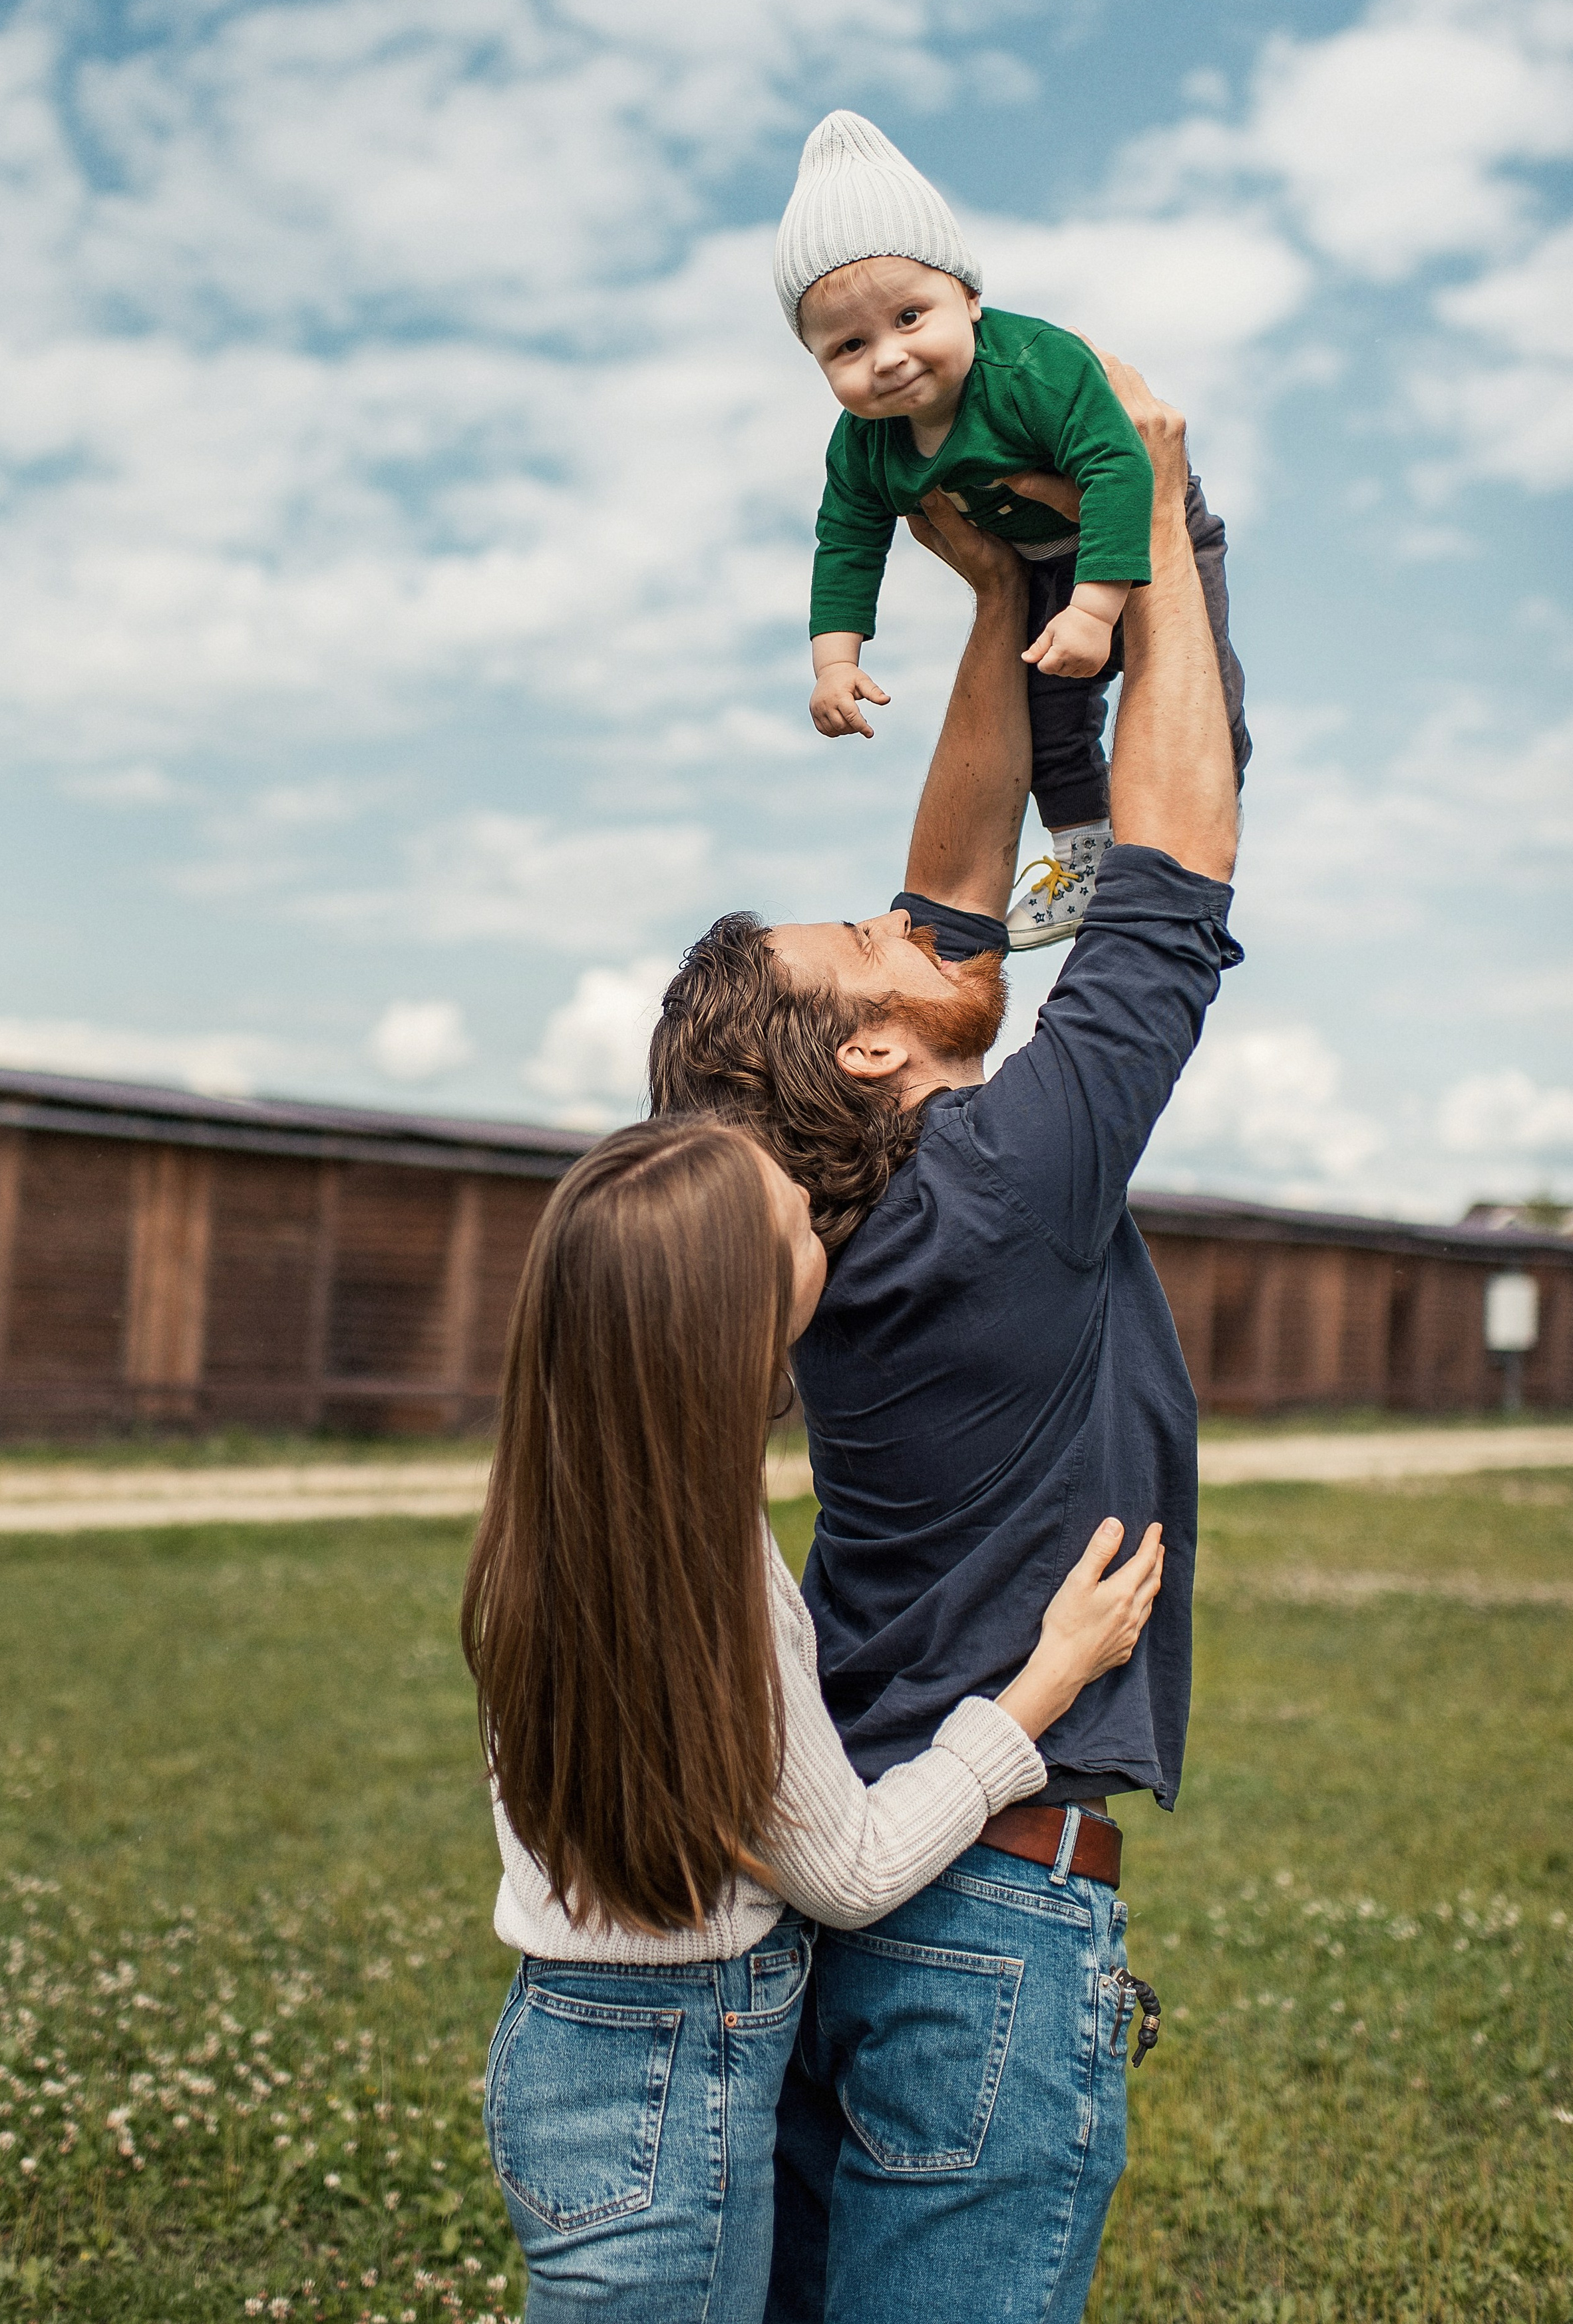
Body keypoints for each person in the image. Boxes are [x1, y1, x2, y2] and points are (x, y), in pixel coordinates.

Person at [647, 353, 1241, 2323]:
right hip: (984, 1923)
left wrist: (996, 610)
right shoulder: (1006, 1186)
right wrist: (1148, 538)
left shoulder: (842, 1224)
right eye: (873, 941)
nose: (920, 919)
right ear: (877, 1053)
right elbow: (1163, 897)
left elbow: (959, 888)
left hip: (861, 1894)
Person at [463, 1117, 1164, 2322]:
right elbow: (851, 1866)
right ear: (734, 1318)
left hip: (561, 2035)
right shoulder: (709, 1574)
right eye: (798, 1226)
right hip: (673, 2066)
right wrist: (1043, 1685)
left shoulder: (550, 1512)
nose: (821, 1216)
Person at [777, 108, 1249, 947]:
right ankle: (1085, 855)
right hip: (1038, 567)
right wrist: (834, 663)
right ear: (818, 362)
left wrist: (1098, 608)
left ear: (967, 296)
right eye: (848, 346)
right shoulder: (863, 446)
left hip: (1141, 524)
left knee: (1192, 680)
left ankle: (1191, 830)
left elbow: (1118, 467)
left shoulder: (1033, 368)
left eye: (910, 317)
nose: (886, 356)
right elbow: (847, 541)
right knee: (1047, 716)